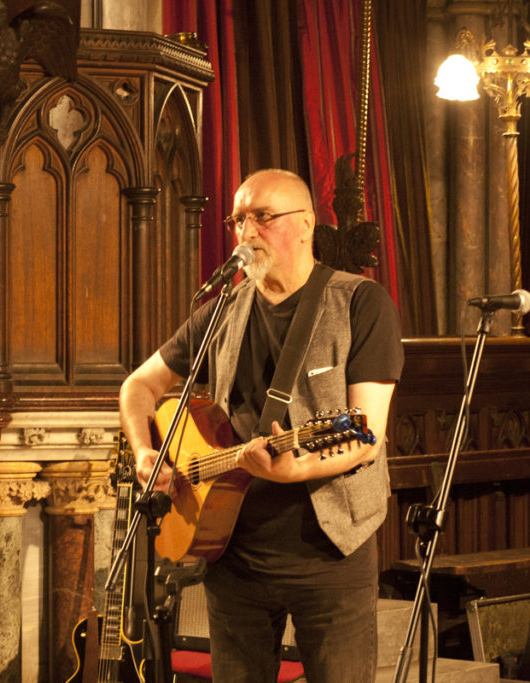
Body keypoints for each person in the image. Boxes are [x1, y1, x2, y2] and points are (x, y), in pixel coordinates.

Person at [120, 169, 403, 682]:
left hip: (330, 553)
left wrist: (291, 471)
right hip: (232, 552)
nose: (246, 232)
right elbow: (137, 387)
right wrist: (146, 453)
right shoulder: (220, 311)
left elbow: (365, 434)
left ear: (305, 224)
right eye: (238, 220)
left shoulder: (360, 303)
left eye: (263, 217)